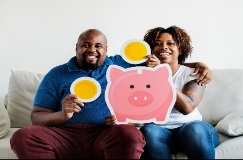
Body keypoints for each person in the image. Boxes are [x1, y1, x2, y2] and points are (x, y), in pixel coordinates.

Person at [10, 29, 212, 159]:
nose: (92, 49)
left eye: (98, 45)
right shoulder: (56, 74)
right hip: (65, 134)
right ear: (77, 48)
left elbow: (164, 60)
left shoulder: (123, 64)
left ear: (107, 49)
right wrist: (62, 114)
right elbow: (36, 116)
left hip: (106, 134)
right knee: (23, 136)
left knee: (130, 134)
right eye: (85, 45)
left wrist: (199, 65)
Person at [139, 26, 219, 159]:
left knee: (194, 129)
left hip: (194, 132)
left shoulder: (193, 73)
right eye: (157, 44)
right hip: (161, 133)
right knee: (149, 131)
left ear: (180, 49)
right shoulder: (141, 74)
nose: (164, 47)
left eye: (170, 43)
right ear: (151, 50)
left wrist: (161, 76)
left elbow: (186, 107)